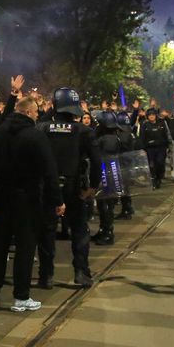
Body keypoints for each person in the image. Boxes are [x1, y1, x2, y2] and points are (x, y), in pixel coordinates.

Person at [0, 95, 65, 311]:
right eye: (37, 112)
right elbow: (49, 171)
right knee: (25, 247)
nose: (38, 115)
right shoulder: (35, 136)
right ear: (29, 112)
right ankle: (21, 296)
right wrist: (57, 200)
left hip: (0, 197)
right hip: (27, 198)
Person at [41, 87, 102, 287]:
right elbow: (96, 160)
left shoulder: (41, 128)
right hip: (75, 186)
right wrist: (93, 186)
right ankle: (81, 272)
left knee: (47, 230)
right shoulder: (84, 131)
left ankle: (46, 275)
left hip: (47, 186)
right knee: (79, 230)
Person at [90, 111, 122, 245]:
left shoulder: (108, 139)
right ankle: (103, 230)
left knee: (106, 205)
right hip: (108, 173)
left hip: (107, 174)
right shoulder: (110, 137)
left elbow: (103, 157)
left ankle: (108, 232)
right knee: (103, 205)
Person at [139, 107, 169, 188]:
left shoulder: (162, 123)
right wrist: (143, 149)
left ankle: (159, 177)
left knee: (160, 162)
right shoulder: (145, 125)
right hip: (150, 149)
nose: (151, 116)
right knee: (152, 165)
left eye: (153, 115)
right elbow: (142, 138)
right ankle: (154, 179)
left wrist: (168, 146)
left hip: (161, 148)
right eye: (150, 115)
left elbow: (166, 135)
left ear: (155, 115)